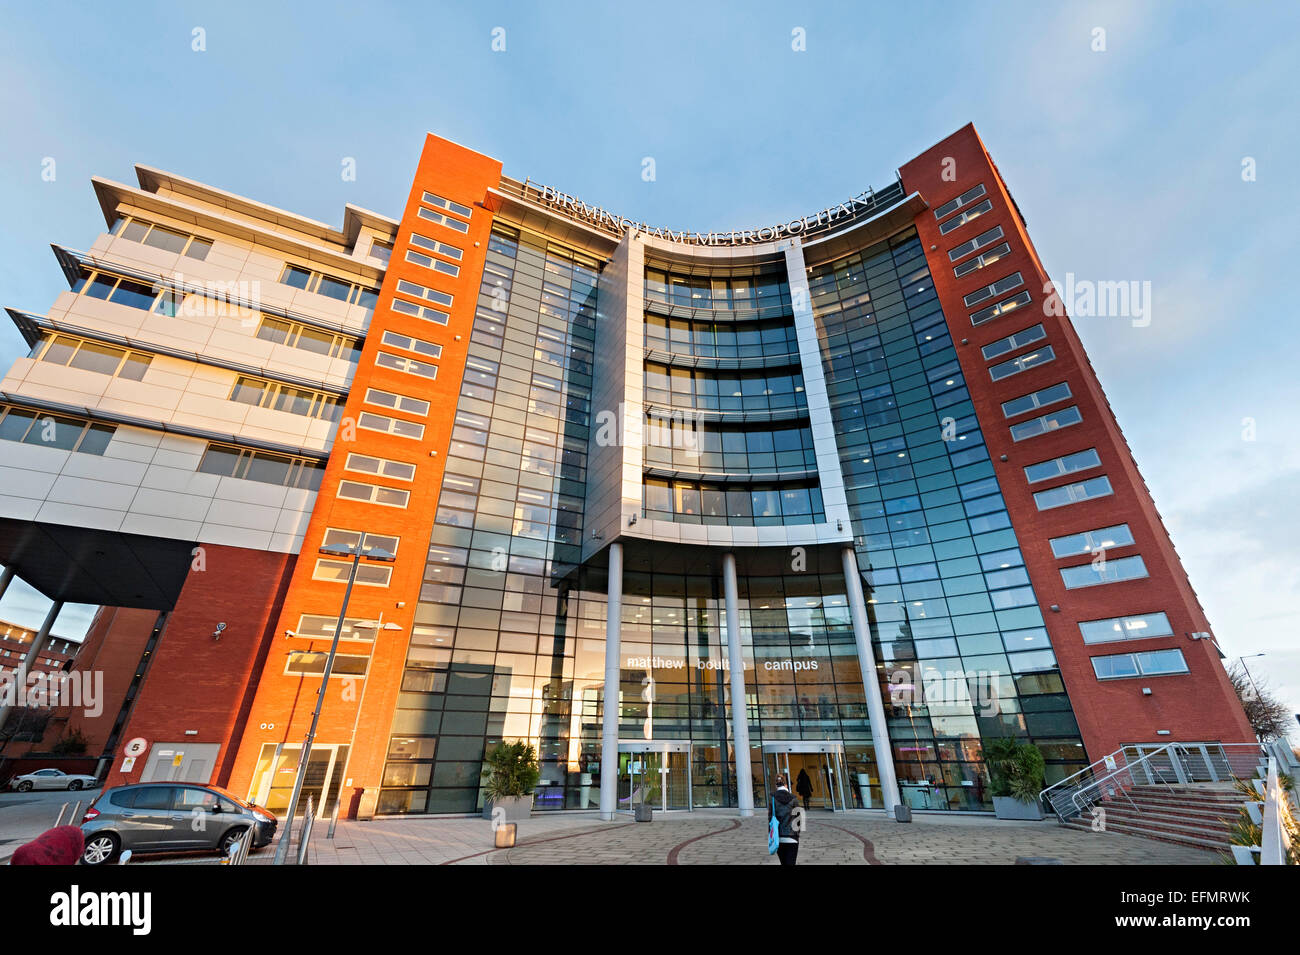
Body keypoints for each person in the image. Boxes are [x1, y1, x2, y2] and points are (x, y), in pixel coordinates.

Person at [769, 774, 800, 865]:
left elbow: (770, 819)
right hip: (792, 837)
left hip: (779, 837)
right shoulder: (794, 798)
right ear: (786, 785)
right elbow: (799, 820)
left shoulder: (772, 798)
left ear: (776, 785)